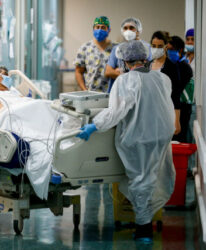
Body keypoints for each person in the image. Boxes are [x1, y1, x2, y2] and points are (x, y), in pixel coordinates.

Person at [77, 40, 176, 243]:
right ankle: (145, 222)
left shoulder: (126, 81)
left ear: (125, 62)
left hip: (140, 137)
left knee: (141, 181)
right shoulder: (162, 78)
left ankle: (143, 230)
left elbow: (116, 112)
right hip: (162, 134)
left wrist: (94, 126)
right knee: (151, 178)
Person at [104, 17, 151, 92]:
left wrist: (121, 72)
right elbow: (108, 72)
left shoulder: (146, 48)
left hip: (140, 89)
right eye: (125, 28)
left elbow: (147, 71)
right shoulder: (117, 48)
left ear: (138, 30)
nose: (128, 30)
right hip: (120, 90)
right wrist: (130, 74)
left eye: (131, 28)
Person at [150, 31, 182, 135]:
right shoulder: (147, 65)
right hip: (149, 112)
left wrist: (176, 120)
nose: (156, 48)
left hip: (165, 111)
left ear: (165, 47)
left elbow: (176, 94)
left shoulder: (172, 67)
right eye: (154, 46)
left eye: (160, 46)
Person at [74, 16, 115, 92]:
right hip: (90, 94)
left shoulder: (116, 49)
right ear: (93, 29)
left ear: (109, 30)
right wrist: (85, 90)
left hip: (111, 95)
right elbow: (78, 72)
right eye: (97, 27)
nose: (100, 30)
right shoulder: (85, 48)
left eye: (103, 27)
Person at [167, 36, 193, 142]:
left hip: (182, 110)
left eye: (171, 49)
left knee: (180, 140)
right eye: (167, 49)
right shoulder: (171, 65)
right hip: (170, 108)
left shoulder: (185, 68)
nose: (169, 52)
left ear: (180, 50)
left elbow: (176, 91)